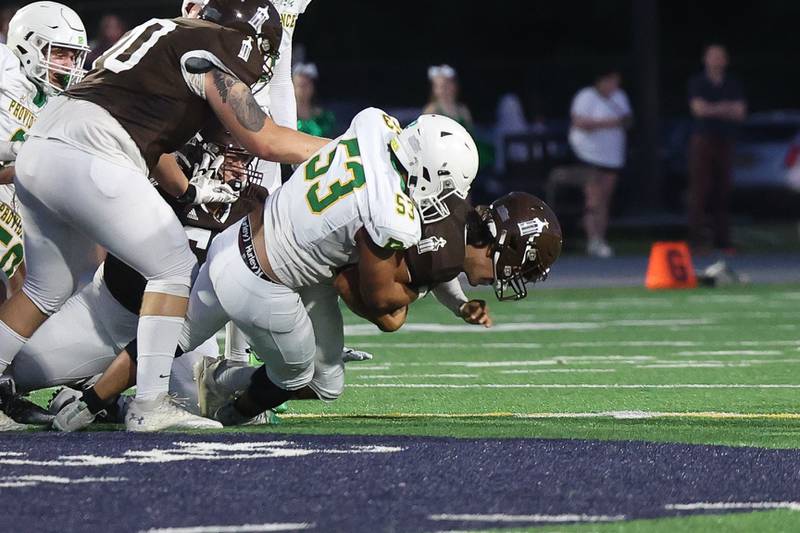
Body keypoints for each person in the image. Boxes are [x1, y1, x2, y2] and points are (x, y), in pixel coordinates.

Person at [0, 0, 331, 432]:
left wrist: (190, 190)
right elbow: (265, 141)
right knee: (173, 264)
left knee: (47, 288)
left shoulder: (165, 34)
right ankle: (150, 404)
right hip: (91, 151)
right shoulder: (215, 48)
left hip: (45, 147)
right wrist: (346, 150)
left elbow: (151, 142)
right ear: (248, 39)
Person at [198, 191, 563, 425]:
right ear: (505, 244)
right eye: (515, 268)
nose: (509, 277)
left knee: (326, 384)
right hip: (306, 263)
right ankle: (231, 413)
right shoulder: (442, 250)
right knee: (306, 371)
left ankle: (223, 379)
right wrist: (408, 297)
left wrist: (460, 305)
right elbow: (382, 311)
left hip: (315, 257)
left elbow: (441, 267)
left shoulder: (454, 216)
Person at [0, 2, 89, 331]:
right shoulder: (5, 65)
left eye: (72, 56)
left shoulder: (58, 102)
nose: (67, 65)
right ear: (27, 43)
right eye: (60, 53)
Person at [687, 44, 746, 252]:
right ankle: (696, 240)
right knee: (700, 190)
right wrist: (725, 108)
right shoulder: (697, 82)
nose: (717, 61)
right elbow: (698, 110)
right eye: (713, 56)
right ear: (705, 59)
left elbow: (740, 112)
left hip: (726, 139)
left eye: (720, 57)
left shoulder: (732, 83)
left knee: (723, 190)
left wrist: (713, 108)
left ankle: (723, 240)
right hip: (703, 140)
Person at [568, 67, 632, 258]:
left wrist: (613, 123)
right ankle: (592, 239)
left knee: (605, 198)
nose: (614, 85)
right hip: (588, 155)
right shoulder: (586, 96)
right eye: (610, 81)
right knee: (593, 197)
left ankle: (601, 239)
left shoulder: (620, 96)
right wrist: (610, 123)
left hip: (611, 156)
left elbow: (627, 120)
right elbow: (580, 123)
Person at [294, 63, 336, 138]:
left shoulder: (325, 118)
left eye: (306, 85)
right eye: (300, 85)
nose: (303, 89)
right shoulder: (284, 118)